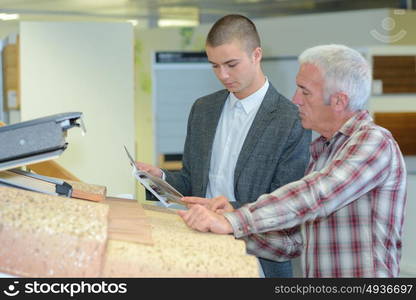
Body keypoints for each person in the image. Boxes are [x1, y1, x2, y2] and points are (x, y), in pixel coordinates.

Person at [178, 44, 407, 278]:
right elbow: (292, 242)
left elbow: (314, 195)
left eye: (305, 91)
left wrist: (234, 220)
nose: (295, 99)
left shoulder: (375, 142)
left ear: (339, 101)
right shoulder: (324, 152)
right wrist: (226, 227)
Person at [136, 14, 311, 277]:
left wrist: (226, 211)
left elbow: (284, 207)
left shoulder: (291, 120)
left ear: (256, 55)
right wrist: (159, 178)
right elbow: (191, 183)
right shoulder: (203, 109)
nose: (223, 75)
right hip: (196, 248)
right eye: (215, 66)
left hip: (258, 259)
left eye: (231, 64)